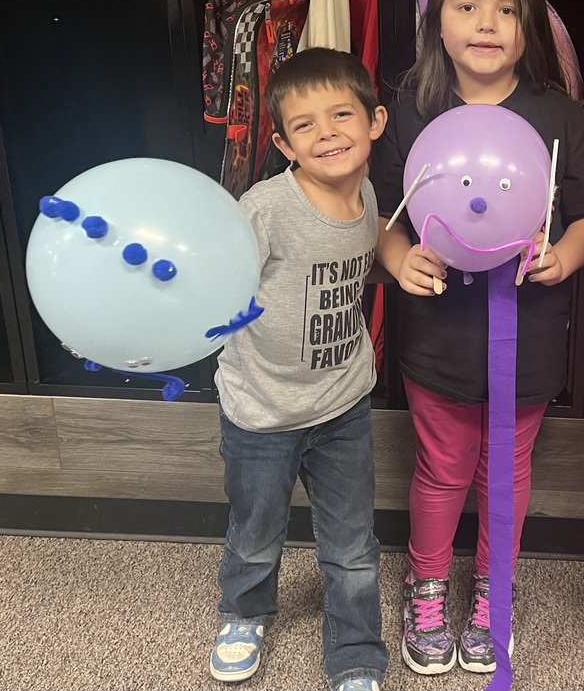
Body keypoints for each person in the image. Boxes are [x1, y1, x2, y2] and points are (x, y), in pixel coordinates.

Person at [370, 0, 584, 676]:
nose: (486, 23)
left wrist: (564, 255)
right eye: (468, 6)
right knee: (443, 465)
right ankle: (426, 584)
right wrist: (397, 260)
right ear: (437, 22)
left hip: (528, 332)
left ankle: (491, 590)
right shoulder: (411, 107)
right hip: (437, 333)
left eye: (507, 11)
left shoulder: (559, 114)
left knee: (504, 468)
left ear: (529, 27)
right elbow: (380, 213)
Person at [209, 47, 390, 691]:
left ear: (375, 122)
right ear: (284, 145)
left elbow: (368, 249)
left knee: (353, 544)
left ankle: (357, 651)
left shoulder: (367, 191)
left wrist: (404, 261)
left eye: (341, 115)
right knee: (256, 532)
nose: (327, 133)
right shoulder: (265, 208)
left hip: (343, 405)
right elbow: (217, 283)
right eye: (305, 125)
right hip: (261, 409)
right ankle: (244, 612)